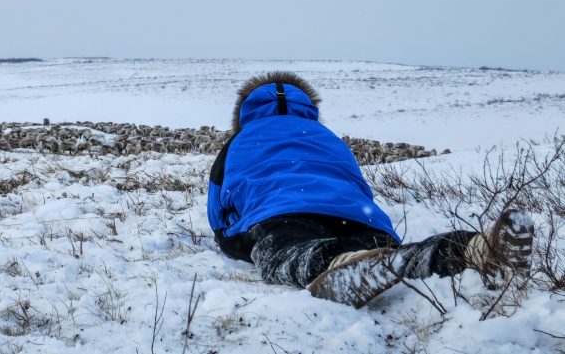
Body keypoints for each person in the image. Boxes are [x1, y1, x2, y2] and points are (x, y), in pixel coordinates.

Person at [206, 71, 534, 307]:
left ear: (245, 113)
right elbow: (357, 185)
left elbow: (217, 208)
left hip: (281, 214)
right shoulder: (327, 137)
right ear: (308, 108)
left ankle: (341, 263)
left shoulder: (239, 140)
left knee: (284, 252)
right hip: (358, 216)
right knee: (396, 257)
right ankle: (472, 249)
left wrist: (232, 237)